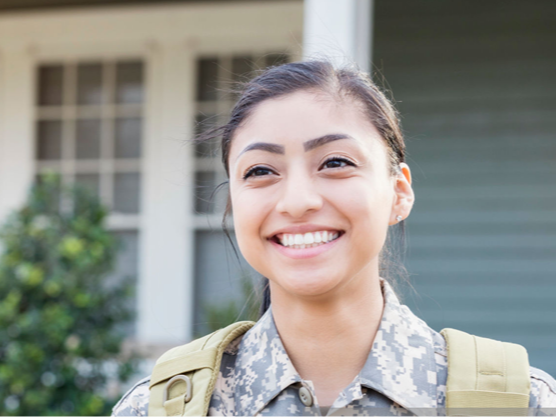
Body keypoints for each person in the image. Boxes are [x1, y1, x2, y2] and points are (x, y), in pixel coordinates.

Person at [111, 60, 556, 417]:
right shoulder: (161, 407)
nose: (298, 201)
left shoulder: (518, 403)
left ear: (399, 192)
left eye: (335, 162)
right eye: (260, 171)